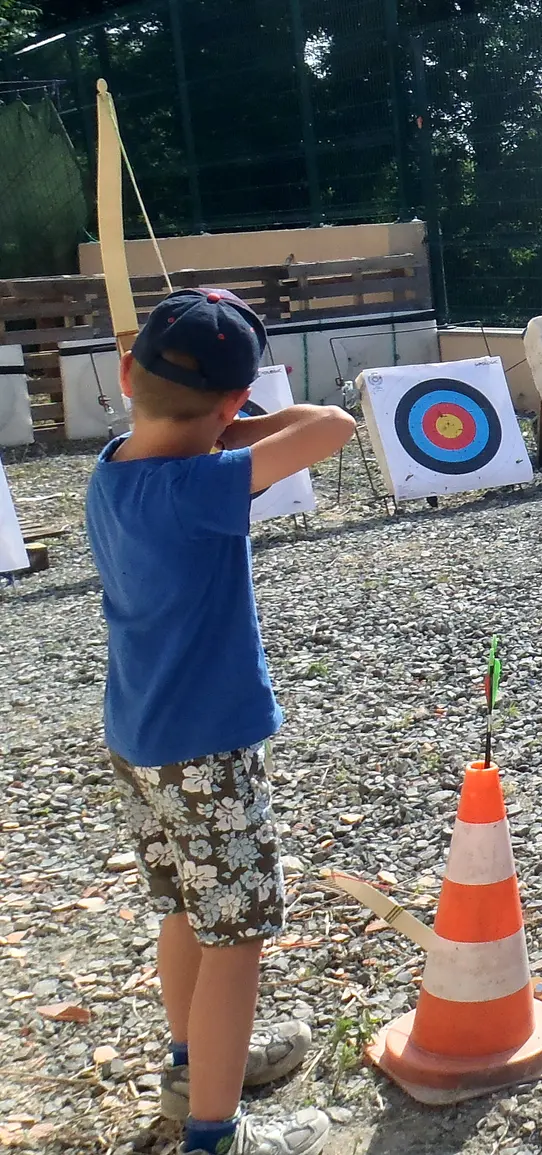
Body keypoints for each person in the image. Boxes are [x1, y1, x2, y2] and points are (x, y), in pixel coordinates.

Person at [86, 289, 356, 1155]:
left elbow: (266, 431)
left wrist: (216, 423)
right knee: (236, 941)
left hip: (139, 738)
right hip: (206, 752)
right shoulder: (199, 487)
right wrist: (232, 427)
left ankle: (194, 1067)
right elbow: (333, 424)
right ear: (236, 399)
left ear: (126, 375)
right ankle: (215, 1133)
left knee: (185, 912)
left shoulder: (110, 467)